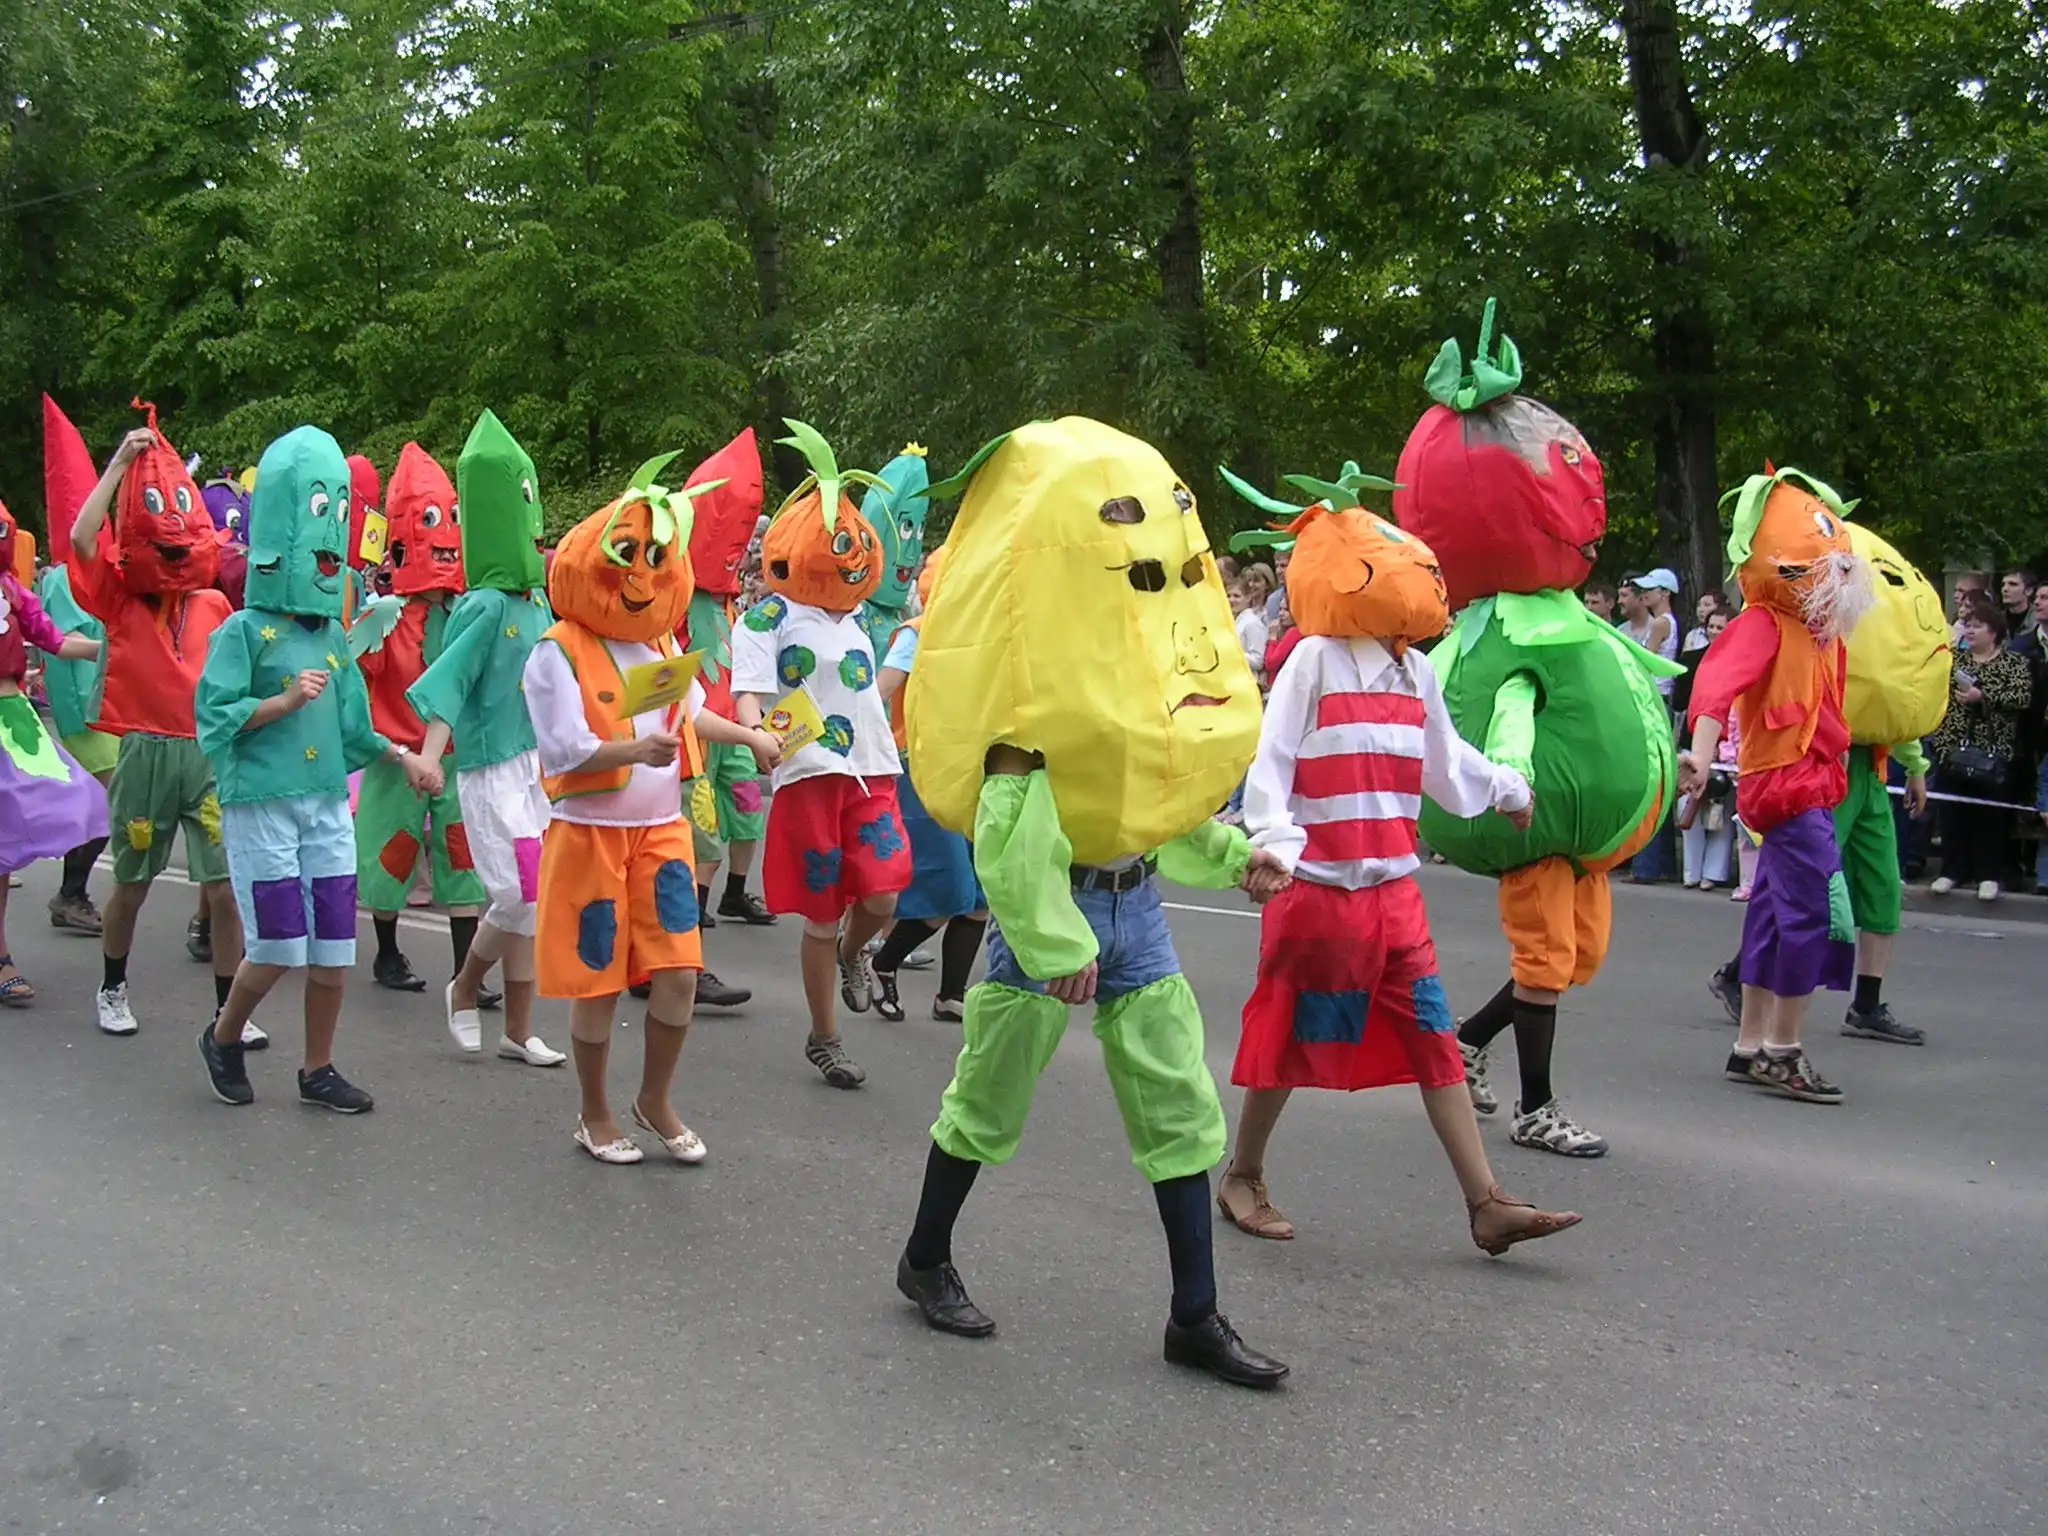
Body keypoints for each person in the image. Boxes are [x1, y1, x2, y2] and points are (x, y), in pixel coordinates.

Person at [892, 416, 1290, 1388]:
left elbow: (1147, 798)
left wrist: (1232, 855)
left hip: (1135, 910)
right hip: (1051, 921)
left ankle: (1194, 1315)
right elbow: (1007, 833)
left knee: (1177, 1104)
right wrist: (1051, 941)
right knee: (987, 1100)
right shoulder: (1029, 691)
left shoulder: (1127, 687)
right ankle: (924, 1259)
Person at [1212, 467, 1581, 1254]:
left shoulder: (1416, 671)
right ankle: (1243, 1173)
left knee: (1434, 1038)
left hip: (1393, 897)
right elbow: (1272, 762)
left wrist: (1510, 788)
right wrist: (1273, 842)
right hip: (1317, 894)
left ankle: (1485, 1202)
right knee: (1291, 1037)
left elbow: (1447, 765)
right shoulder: (1315, 659)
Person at [1388, 305, 1676, 1157]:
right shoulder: (1512, 637)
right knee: (1545, 960)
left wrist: (1681, 754)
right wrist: (1512, 781)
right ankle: (1536, 1107)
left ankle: (1465, 1042)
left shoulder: (1565, 620)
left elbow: (1628, 688)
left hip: (1578, 836)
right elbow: (1510, 712)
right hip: (1534, 823)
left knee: (1573, 957)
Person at [525, 457, 780, 1163]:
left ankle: (655, 1101)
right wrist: (634, 751)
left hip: (661, 833)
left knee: (678, 972)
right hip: (590, 836)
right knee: (599, 982)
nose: (643, 576)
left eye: (657, 558)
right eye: (629, 557)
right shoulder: (558, 652)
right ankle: (594, 1114)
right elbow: (563, 749)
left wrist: (752, 738)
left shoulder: (660, 641)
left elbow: (691, 714)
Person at [195, 425, 438, 1110]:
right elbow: (213, 717)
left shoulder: (333, 635)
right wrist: (280, 702)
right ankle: (223, 1036)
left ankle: (318, 1069)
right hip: (262, 803)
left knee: (333, 946)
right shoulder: (242, 630)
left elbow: (354, 728)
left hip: (326, 803)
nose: (329, 547)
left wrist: (404, 758)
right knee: (278, 945)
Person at [1682, 467, 1874, 1103]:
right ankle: (1782, 1051)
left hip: (1807, 781)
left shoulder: (1820, 635)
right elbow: (1714, 688)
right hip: (1786, 786)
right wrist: (1700, 757)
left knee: (1769, 911)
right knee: (1812, 912)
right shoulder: (1763, 622)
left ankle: (1750, 1047)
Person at [729, 422, 910, 1089]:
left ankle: (852, 951)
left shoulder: (856, 616)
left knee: (884, 892)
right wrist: (757, 734)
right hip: (810, 771)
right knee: (821, 908)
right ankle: (824, 1037)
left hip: (872, 767)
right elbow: (747, 691)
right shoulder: (769, 617)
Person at [69, 412, 254, 1042]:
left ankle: (230, 1012)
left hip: (206, 757)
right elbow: (82, 538)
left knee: (224, 889)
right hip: (145, 754)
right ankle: (112, 986)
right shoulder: (119, 598)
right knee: (133, 883)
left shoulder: (214, 603)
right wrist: (121, 463)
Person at [407, 410, 565, 1064]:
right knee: (517, 894)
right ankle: (466, 985)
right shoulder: (485, 605)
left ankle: (518, 1030)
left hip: (534, 767)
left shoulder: (537, 602)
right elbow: (452, 681)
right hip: (489, 772)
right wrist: (428, 756)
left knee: (533, 898)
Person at [352, 442, 498, 999]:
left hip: (457, 756)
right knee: (393, 854)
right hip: (398, 757)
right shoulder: (383, 616)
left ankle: (467, 973)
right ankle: (387, 953)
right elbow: (352, 683)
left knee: (462, 856)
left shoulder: (467, 612)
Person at [873, 547, 988, 1022]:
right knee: (949, 889)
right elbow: (879, 690)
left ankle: (950, 996)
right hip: (921, 769)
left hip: (973, 770)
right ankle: (882, 962)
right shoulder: (917, 634)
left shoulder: (984, 638)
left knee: (979, 897)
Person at [0, 499, 108, 1004]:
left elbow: (55, 641)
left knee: (83, 803)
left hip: (14, 722)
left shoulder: (11, 590)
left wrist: (112, 647)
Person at [36, 395, 114, 935]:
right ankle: (71, 892)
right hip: (84, 711)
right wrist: (116, 650)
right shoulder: (63, 578)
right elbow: (65, 643)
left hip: (107, 708)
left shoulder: (97, 570)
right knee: (117, 797)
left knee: (104, 801)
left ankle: (72, 892)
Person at [1928, 600, 2031, 900]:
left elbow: (2021, 697)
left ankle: (1988, 875)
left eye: (1978, 626)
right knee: (1952, 813)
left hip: (1992, 753)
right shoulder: (1953, 659)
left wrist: (1982, 696)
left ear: (1994, 632)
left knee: (1989, 816)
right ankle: (1951, 871)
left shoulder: (2013, 662)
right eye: (1968, 625)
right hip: (1952, 748)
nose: (1970, 631)